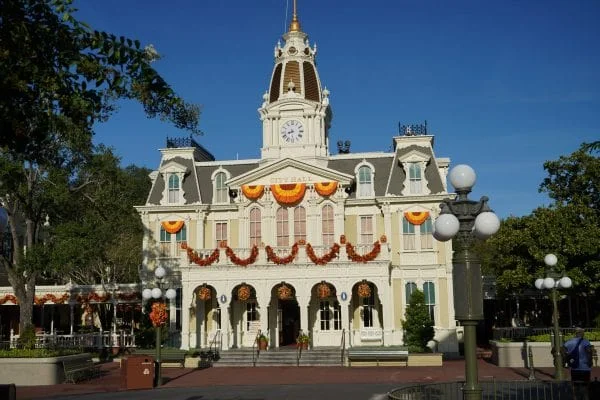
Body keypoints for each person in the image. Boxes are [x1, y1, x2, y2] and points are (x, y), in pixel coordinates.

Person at [562, 328, 593, 399]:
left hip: (574, 368)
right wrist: (590, 362)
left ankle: (575, 398)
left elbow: (562, 351)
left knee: (575, 387)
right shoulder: (585, 342)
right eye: (583, 332)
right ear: (581, 333)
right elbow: (589, 352)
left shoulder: (569, 342)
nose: (583, 334)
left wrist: (566, 360)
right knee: (585, 389)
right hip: (585, 368)